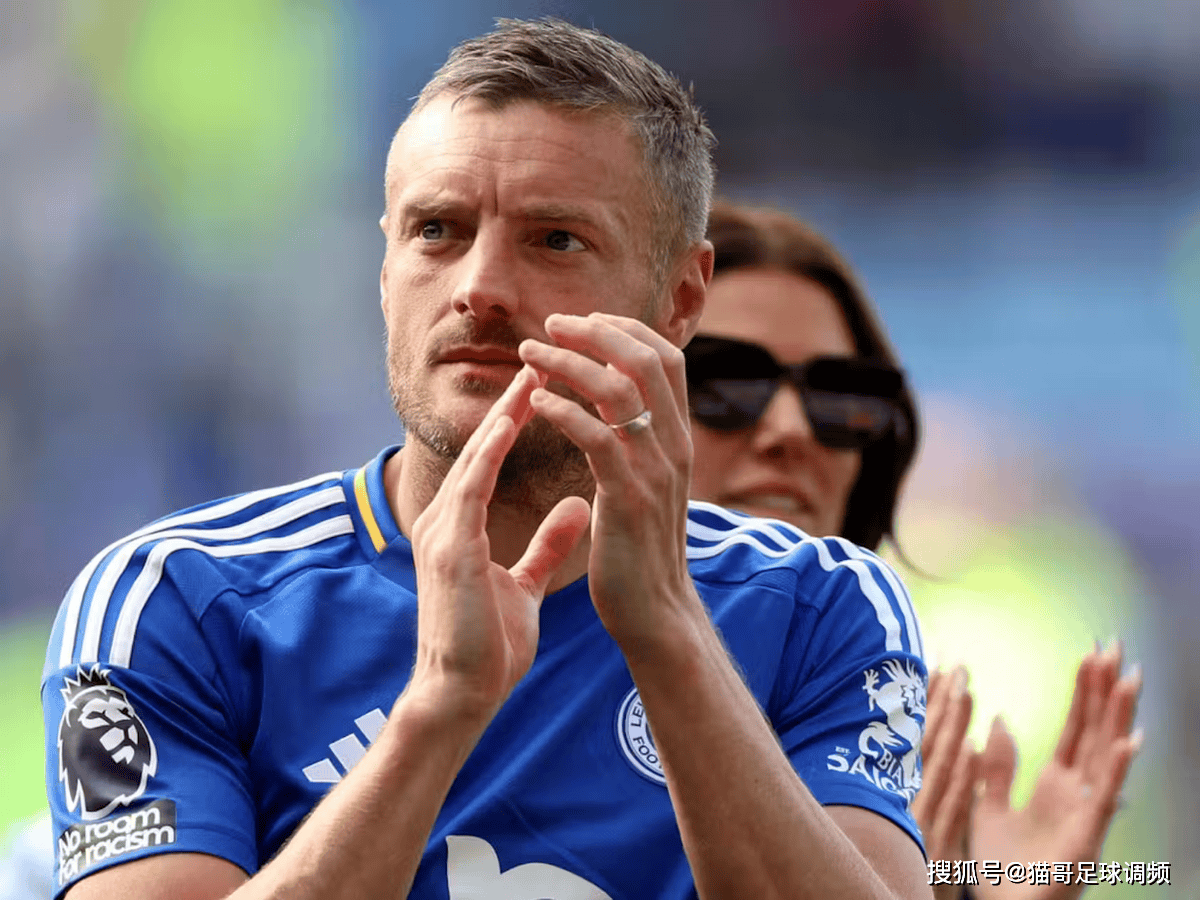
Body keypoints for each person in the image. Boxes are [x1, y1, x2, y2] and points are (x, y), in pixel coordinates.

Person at [41, 19, 931, 900]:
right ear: (384, 272)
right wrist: (439, 706)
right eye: (436, 230)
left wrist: (667, 631)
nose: (479, 289)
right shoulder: (176, 602)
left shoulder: (818, 605)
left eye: (556, 240)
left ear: (681, 297)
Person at [686, 199, 1144, 900]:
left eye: (841, 396)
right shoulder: (523, 655)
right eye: (727, 381)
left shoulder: (898, 738)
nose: (790, 429)